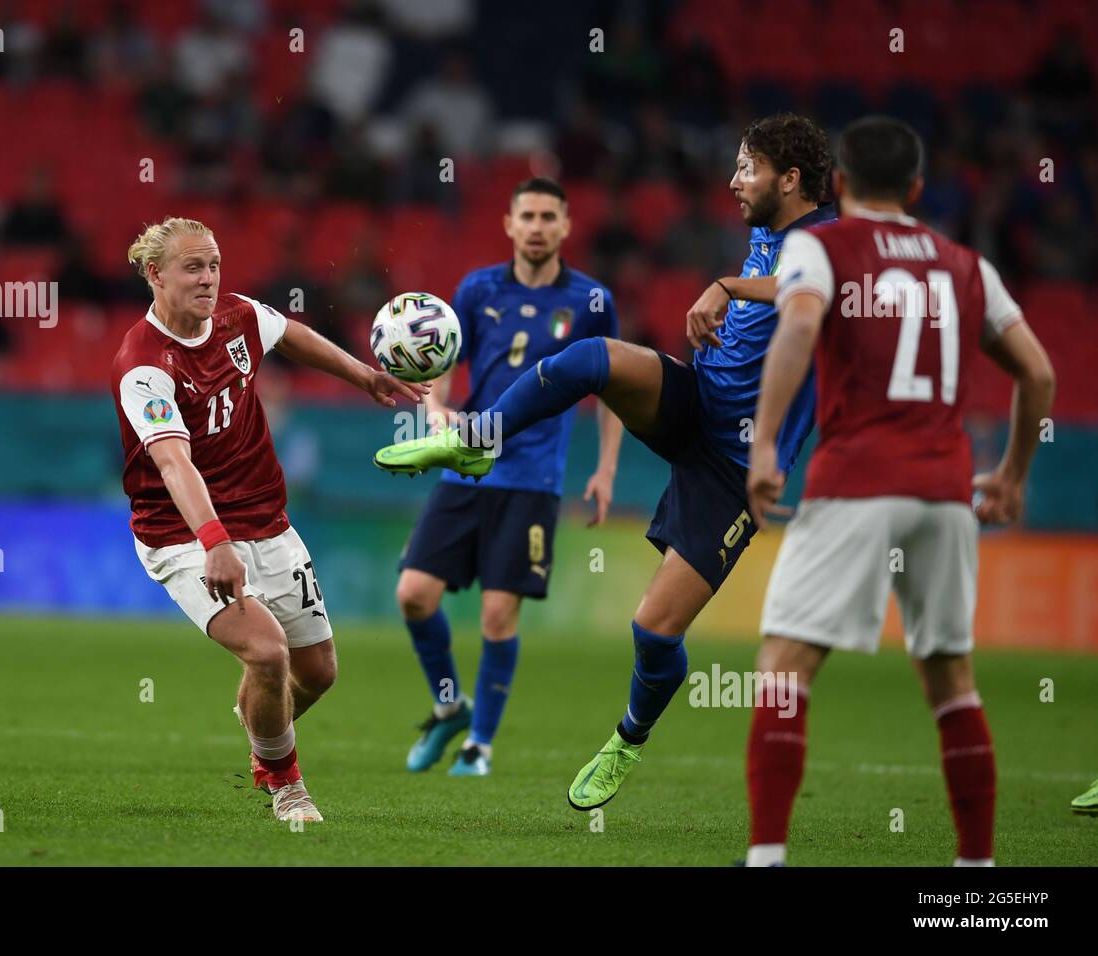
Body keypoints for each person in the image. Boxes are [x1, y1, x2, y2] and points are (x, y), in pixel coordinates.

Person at [374, 115, 835, 807]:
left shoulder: (828, 243)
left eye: (747, 168)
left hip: (737, 465)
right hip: (697, 398)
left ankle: (627, 736)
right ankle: (480, 437)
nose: (734, 181)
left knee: (653, 629)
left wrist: (729, 286)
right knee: (594, 358)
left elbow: (811, 295)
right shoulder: (768, 233)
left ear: (790, 178)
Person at [743, 116, 1055, 867]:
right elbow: (1038, 373)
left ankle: (766, 859)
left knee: (784, 669)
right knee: (952, 680)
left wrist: (762, 441)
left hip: (856, 481)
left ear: (840, 184)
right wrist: (1012, 473)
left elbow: (800, 324)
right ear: (917, 189)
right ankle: (976, 871)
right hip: (947, 494)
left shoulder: (822, 247)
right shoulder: (966, 265)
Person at [112, 217, 425, 821]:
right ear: (155, 274)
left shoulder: (235, 315)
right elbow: (174, 464)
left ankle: (260, 717)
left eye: (214, 265)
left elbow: (290, 334)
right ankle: (285, 784)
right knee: (267, 653)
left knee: (318, 671)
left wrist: (362, 375)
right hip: (183, 535)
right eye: (192, 268)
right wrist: (214, 543)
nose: (208, 280)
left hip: (268, 521)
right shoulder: (143, 366)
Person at [387, 177, 623, 777]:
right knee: (413, 594)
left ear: (566, 226)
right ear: (510, 225)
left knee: (498, 615)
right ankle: (449, 708)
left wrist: (604, 469)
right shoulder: (476, 288)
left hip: (533, 478)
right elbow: (441, 358)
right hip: (468, 467)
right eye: (529, 216)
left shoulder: (593, 301)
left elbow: (617, 385)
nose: (539, 226)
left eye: (549, 216)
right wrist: (436, 410)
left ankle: (479, 745)